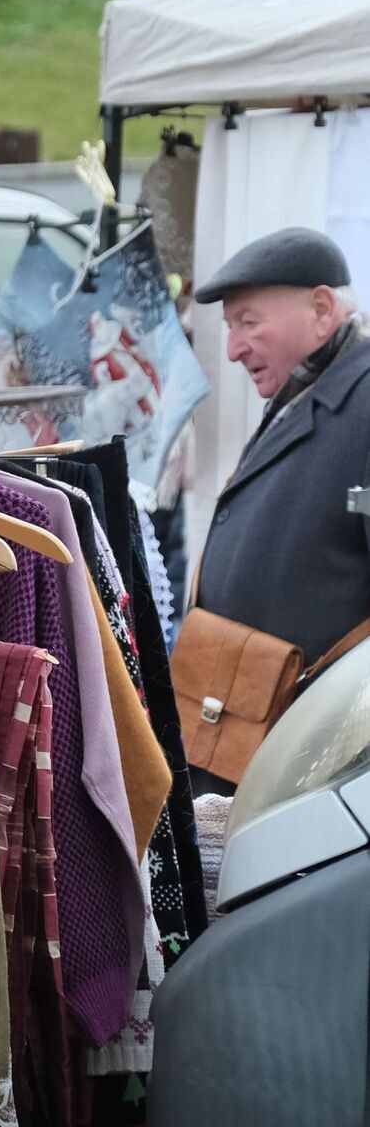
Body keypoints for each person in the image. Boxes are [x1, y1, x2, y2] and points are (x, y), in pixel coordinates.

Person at [189, 227, 370, 792]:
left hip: (321, 764)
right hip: (261, 742)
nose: (233, 348)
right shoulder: (312, 391)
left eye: (248, 322)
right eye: (229, 328)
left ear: (321, 308)